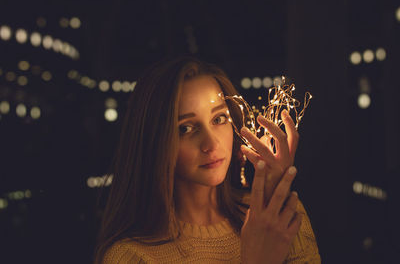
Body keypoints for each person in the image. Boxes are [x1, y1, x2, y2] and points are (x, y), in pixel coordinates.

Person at [94, 57, 321, 263]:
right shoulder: (131, 256)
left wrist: (273, 201)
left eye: (219, 118)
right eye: (186, 128)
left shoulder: (277, 219)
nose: (211, 144)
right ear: (155, 140)